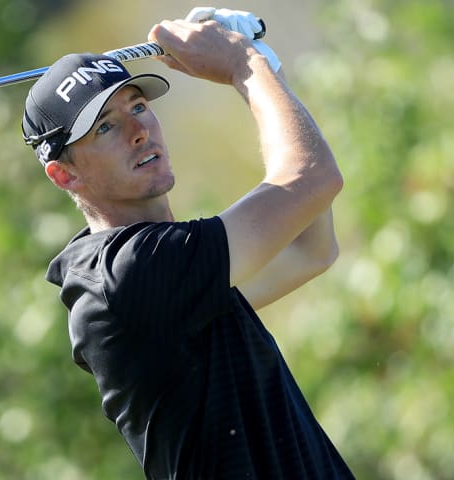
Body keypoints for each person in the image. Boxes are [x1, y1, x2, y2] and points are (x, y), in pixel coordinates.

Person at [21, 8, 354, 479]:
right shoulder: (128, 275)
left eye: (137, 106)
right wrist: (244, 66)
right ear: (64, 173)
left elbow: (311, 248)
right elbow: (313, 178)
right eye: (105, 128)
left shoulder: (170, 274)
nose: (139, 131)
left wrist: (266, 70)